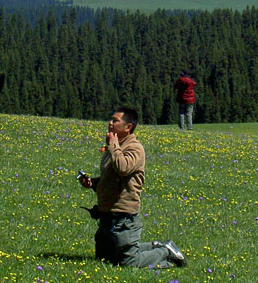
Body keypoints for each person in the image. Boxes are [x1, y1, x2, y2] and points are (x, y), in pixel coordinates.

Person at [78, 107, 186, 267]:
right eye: (111, 119)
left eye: (116, 120)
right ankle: (156, 246)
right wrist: (93, 183)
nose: (110, 123)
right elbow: (111, 177)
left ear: (128, 127)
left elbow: (123, 168)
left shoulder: (134, 148)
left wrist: (113, 145)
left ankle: (166, 253)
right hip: (107, 214)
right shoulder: (114, 147)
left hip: (124, 216)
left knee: (129, 262)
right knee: (104, 258)